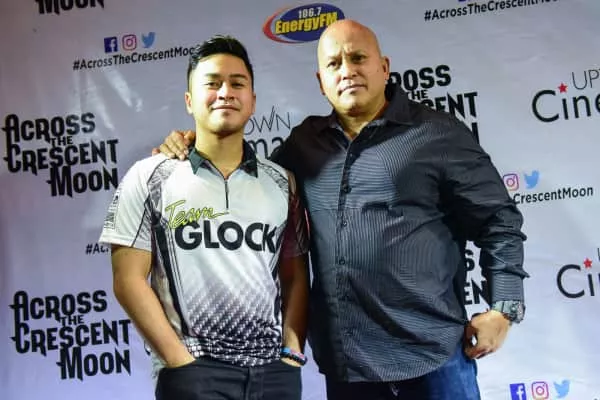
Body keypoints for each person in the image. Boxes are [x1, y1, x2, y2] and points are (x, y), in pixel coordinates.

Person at [155, 20, 528, 400]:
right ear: (321, 82)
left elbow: (498, 221)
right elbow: (248, 178)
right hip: (350, 370)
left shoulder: (437, 133)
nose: (347, 71)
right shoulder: (305, 144)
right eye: (334, 64)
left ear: (384, 67)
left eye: (357, 58)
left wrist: (503, 309)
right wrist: (195, 146)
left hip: (434, 361)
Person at [99, 35, 310, 400]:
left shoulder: (282, 181)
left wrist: (291, 355)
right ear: (189, 100)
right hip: (193, 372)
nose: (225, 92)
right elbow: (127, 279)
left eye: (237, 83)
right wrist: (178, 361)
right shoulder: (149, 176)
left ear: (253, 100)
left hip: (273, 375)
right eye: (212, 83)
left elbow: (295, 276)